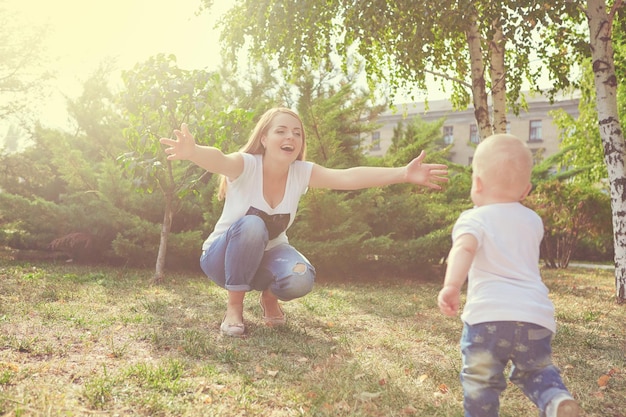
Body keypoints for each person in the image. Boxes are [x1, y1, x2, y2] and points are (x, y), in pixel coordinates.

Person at [160, 107, 448, 337]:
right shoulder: (246, 165)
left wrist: (403, 173)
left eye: (297, 133)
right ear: (264, 139)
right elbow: (220, 159)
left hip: (263, 260)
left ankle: (269, 299)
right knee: (252, 224)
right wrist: (193, 152)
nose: (291, 137)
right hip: (219, 260)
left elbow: (347, 177)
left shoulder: (301, 172)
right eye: (281, 131)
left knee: (300, 277)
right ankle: (234, 309)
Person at [437, 134, 580, 417]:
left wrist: (452, 285)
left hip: (488, 316)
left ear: (477, 183)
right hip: (535, 317)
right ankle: (554, 399)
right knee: (536, 371)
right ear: (526, 190)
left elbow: (464, 248)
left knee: (481, 382)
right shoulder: (533, 221)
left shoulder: (474, 218)